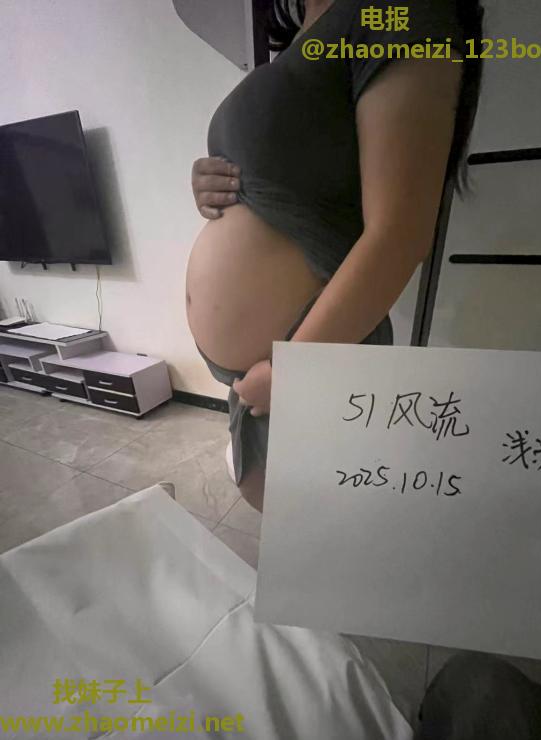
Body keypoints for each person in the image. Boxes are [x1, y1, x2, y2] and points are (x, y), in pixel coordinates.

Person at [186, 0, 484, 512]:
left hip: (310, 362)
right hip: (273, 372)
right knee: (298, 540)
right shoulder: (307, 32)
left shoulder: (395, 11)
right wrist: (208, 184)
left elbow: (400, 233)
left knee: (330, 542)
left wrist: (292, 372)